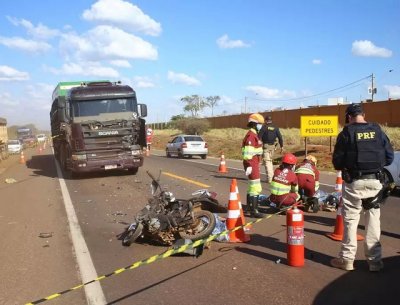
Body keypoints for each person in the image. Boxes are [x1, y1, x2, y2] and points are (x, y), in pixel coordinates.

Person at [330, 103, 394, 272]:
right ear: (363, 115)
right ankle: (375, 262)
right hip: (375, 181)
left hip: (354, 183)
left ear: (349, 117)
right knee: (373, 221)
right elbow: (389, 157)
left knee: (351, 221)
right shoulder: (377, 130)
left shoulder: (346, 133)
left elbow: (337, 162)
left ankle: (347, 260)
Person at [242, 113, 265, 218]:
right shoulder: (251, 136)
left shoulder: (254, 134)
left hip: (254, 163)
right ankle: (254, 210)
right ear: (254, 124)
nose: (261, 126)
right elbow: (247, 154)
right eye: (260, 124)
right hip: (252, 164)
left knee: (252, 187)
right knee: (256, 187)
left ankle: (249, 208)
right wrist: (250, 165)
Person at [258, 116, 284, 183]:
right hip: (273, 147)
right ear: (271, 120)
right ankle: (271, 177)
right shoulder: (275, 127)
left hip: (266, 147)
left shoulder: (264, 127)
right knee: (270, 161)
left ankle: (270, 179)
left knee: (267, 162)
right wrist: (282, 146)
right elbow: (280, 137)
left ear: (266, 120)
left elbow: (259, 137)